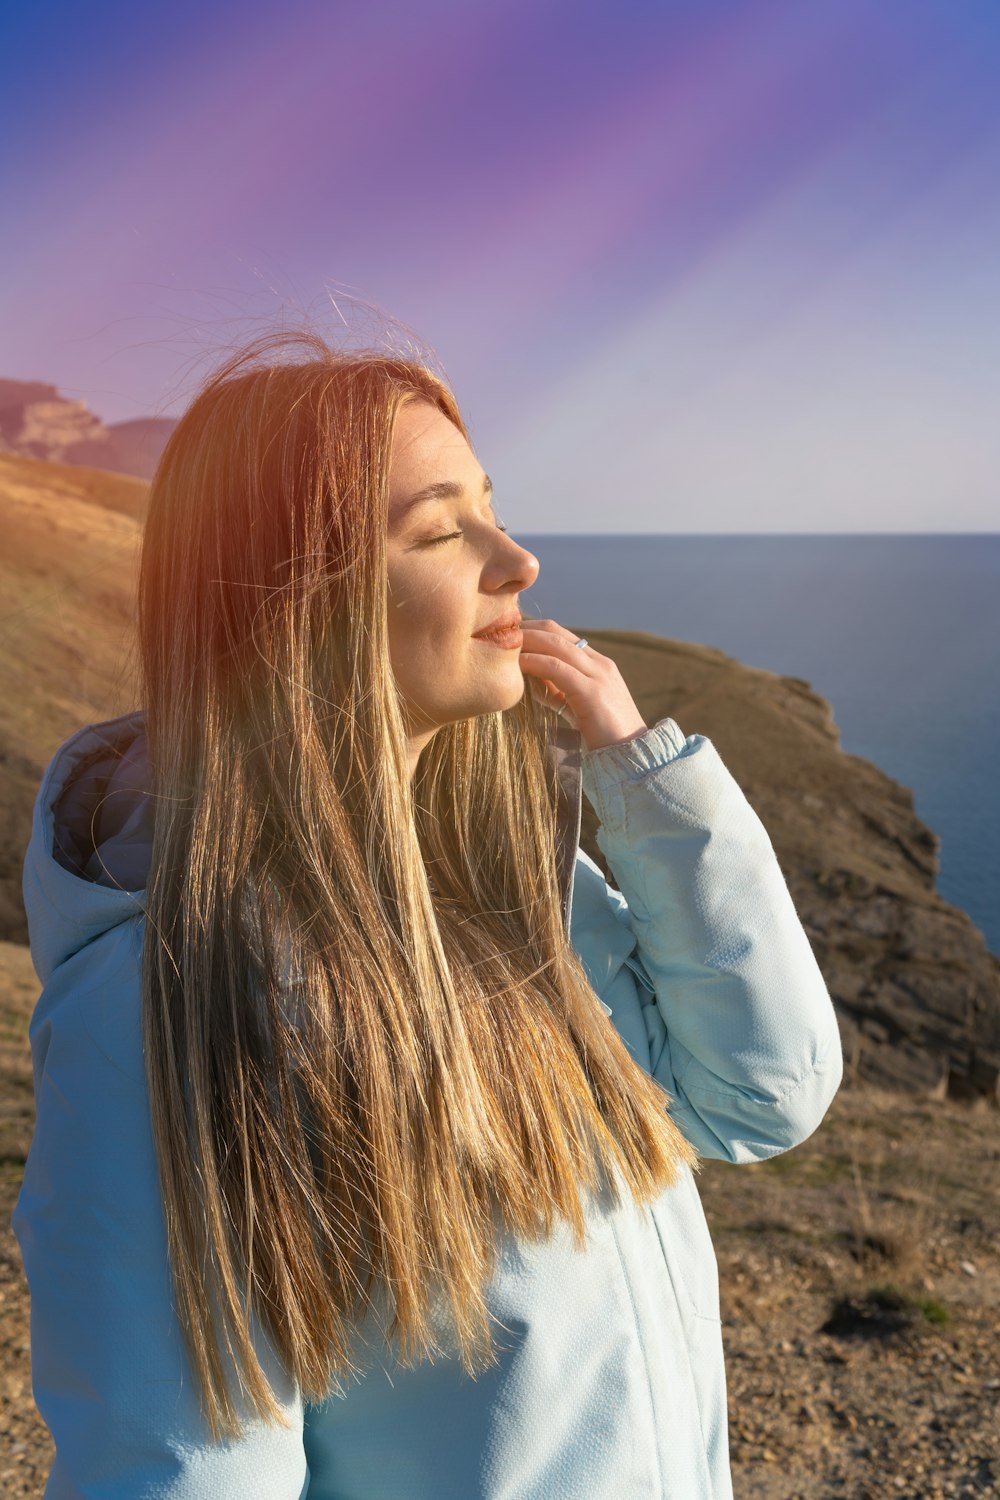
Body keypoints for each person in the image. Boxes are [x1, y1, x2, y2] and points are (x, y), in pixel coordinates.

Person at [13, 331, 843, 1499]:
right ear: (296, 599)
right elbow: (184, 1476)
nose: (519, 559)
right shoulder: (159, 1007)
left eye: (492, 509)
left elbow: (756, 1097)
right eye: (443, 529)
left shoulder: (515, 896)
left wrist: (653, 782)